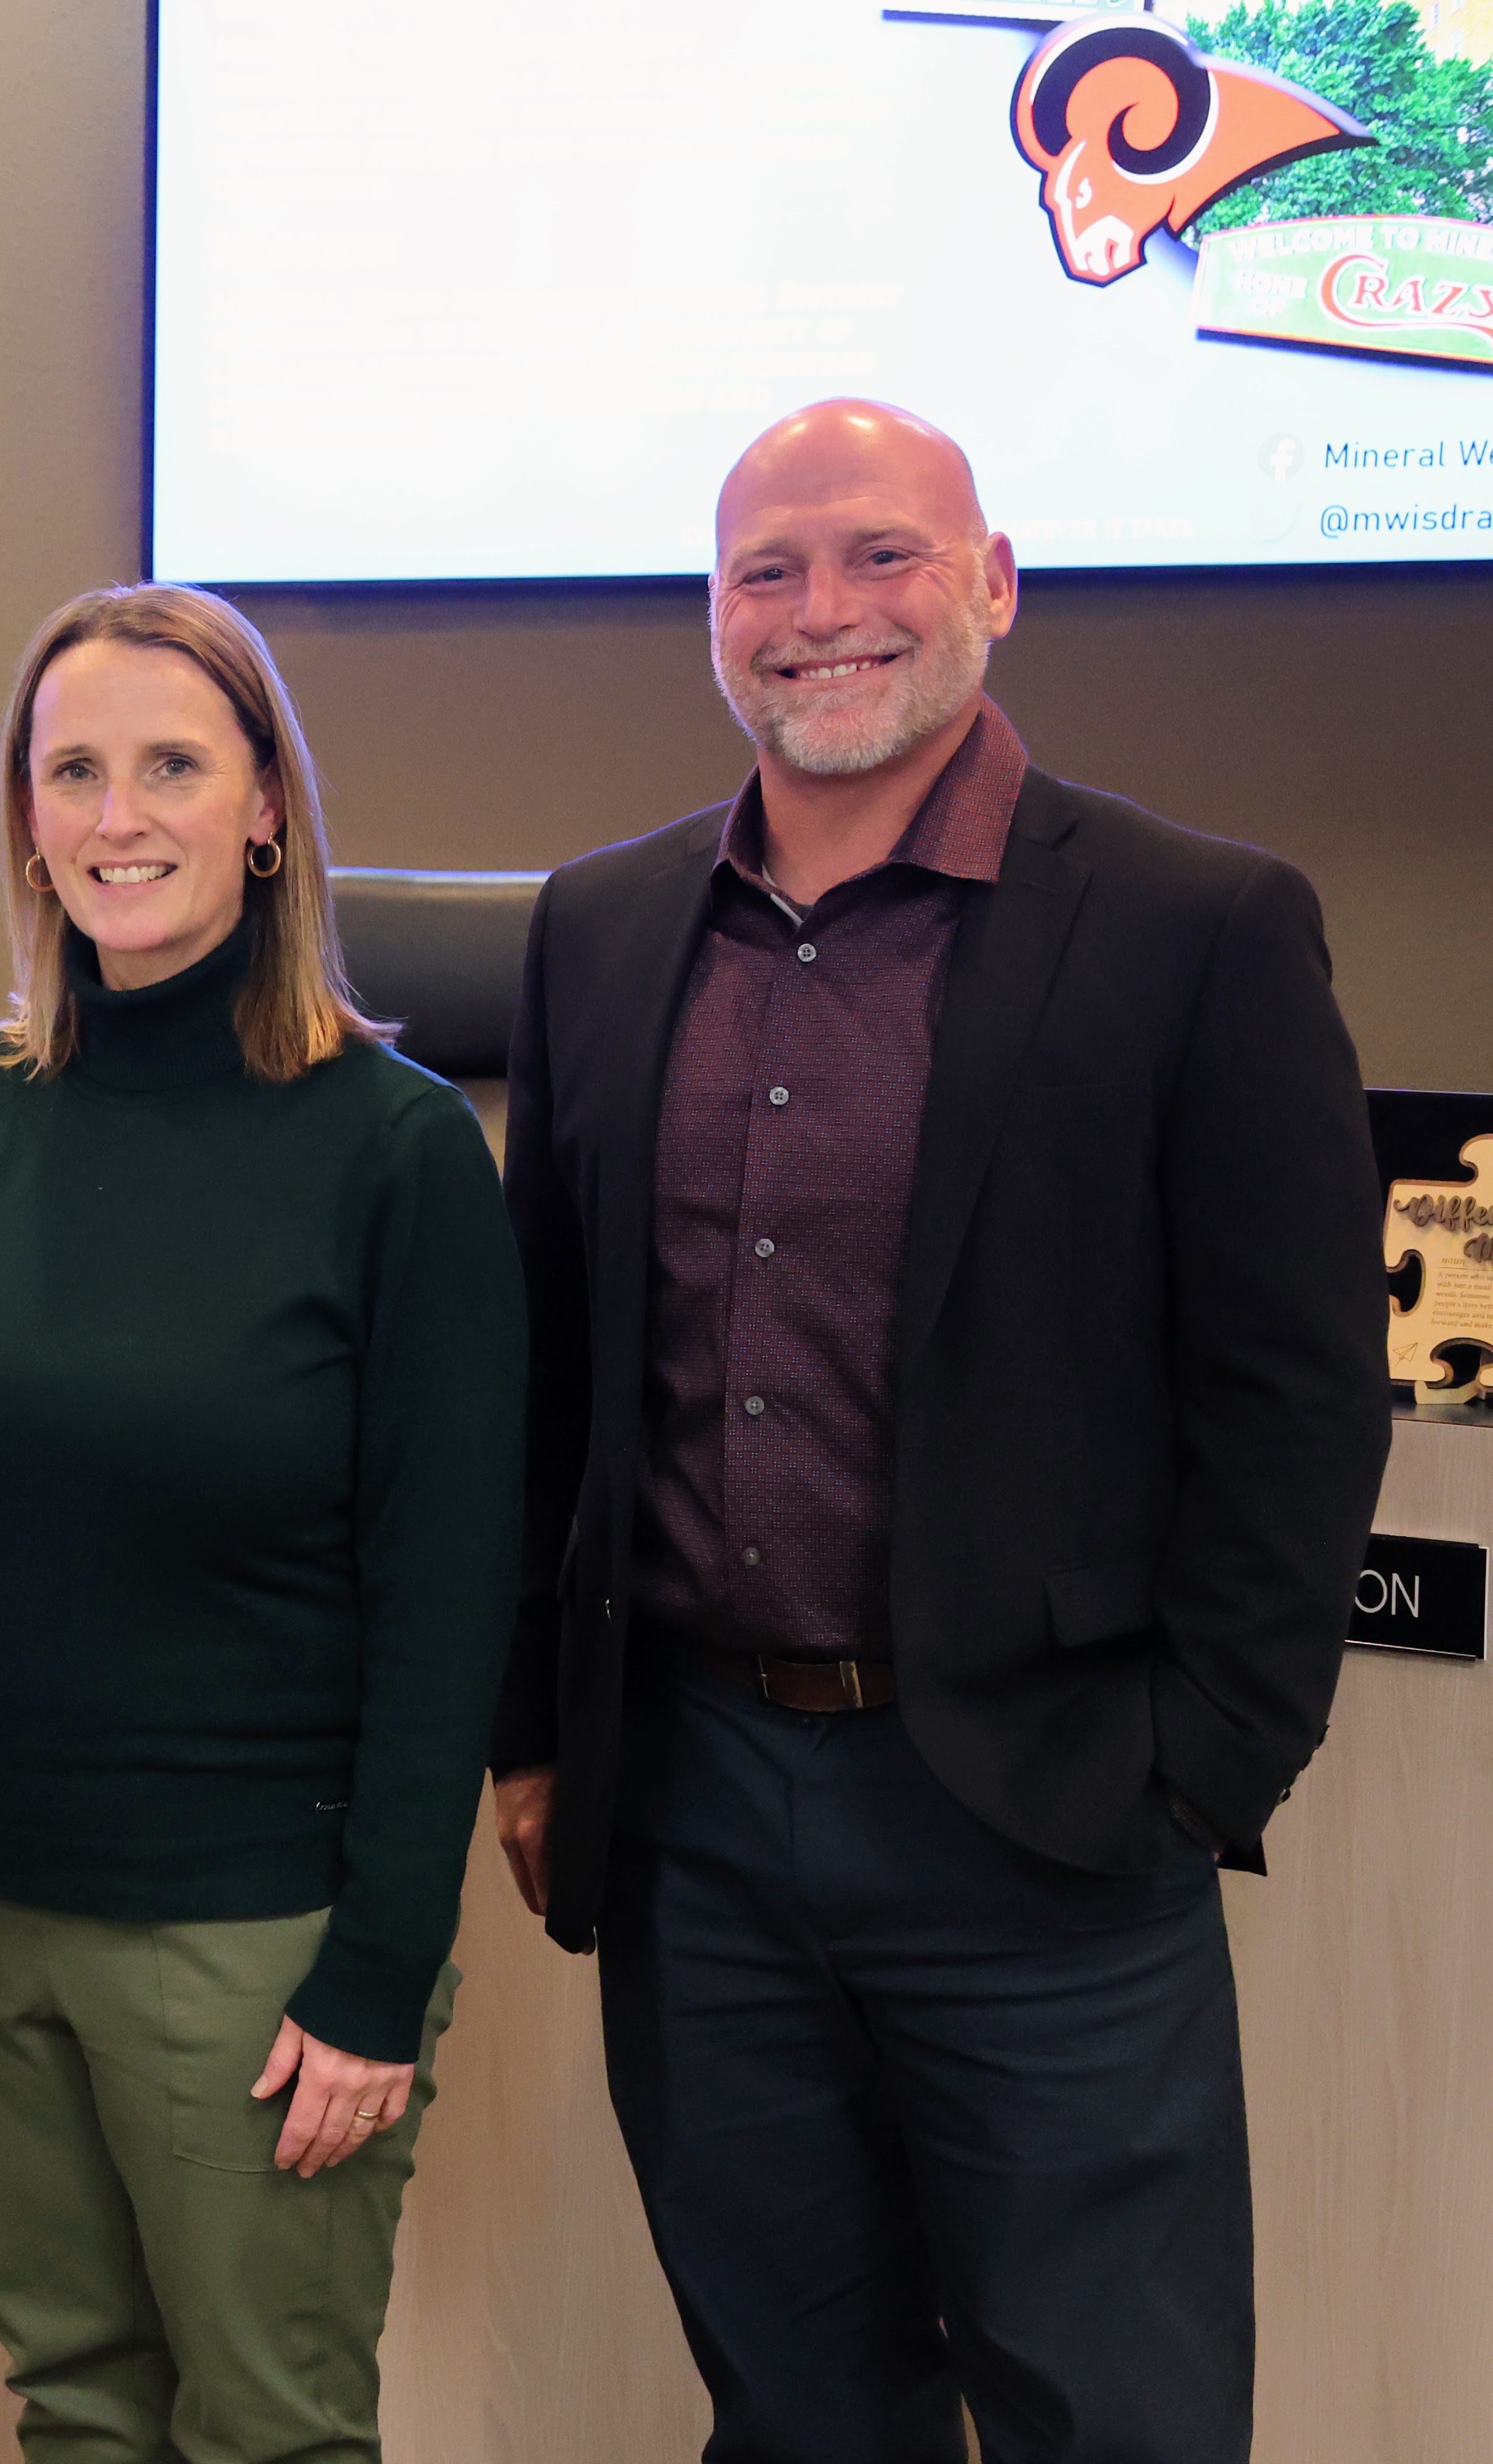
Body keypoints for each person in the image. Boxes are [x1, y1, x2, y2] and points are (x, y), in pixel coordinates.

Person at [487, 400, 1389, 2463]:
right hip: (700, 1812)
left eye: (883, 555)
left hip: (1046, 1814)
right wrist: (538, 1731)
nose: (824, 614)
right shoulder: (606, 930)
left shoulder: (1196, 922)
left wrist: (1202, 1759)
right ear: (712, 621)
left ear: (995, 582)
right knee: (800, 2415)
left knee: (1117, 2415)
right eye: (768, 573)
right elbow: (555, 1371)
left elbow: (1298, 1391)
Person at [0, 582, 525, 2462]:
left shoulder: (399, 1149)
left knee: (267, 2427)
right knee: (81, 2412)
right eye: (75, 771)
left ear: (266, 807)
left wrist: (378, 1974)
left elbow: (450, 1607)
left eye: (174, 766)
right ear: (27, 814)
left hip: (250, 1939)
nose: (120, 816)